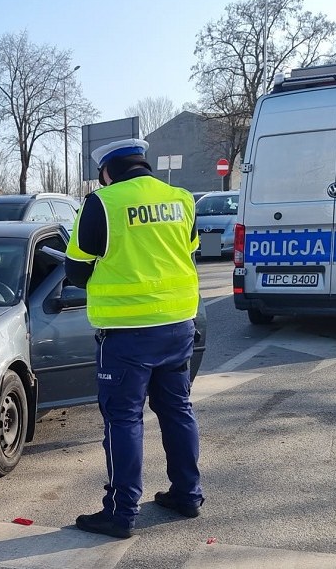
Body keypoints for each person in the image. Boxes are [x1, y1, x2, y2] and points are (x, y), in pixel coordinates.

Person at [65, 138, 203, 539]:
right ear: (142, 164)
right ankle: (187, 495)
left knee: (123, 419)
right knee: (177, 409)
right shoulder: (181, 198)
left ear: (106, 172)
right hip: (179, 325)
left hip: (127, 335)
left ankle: (121, 513)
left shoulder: (102, 203)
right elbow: (188, 251)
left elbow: (76, 271)